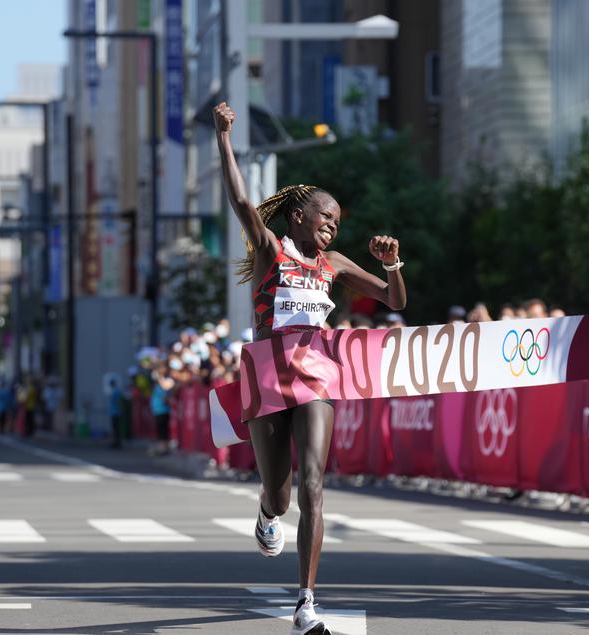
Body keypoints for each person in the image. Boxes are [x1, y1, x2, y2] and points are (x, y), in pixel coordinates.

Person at [215, 100, 406, 635]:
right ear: (299, 216)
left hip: (317, 373)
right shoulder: (271, 248)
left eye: (338, 224)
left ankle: (306, 603)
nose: (332, 229)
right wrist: (224, 139)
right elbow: (239, 199)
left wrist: (391, 263)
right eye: (326, 218)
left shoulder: (335, 264)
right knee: (279, 492)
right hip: (266, 375)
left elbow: (395, 302)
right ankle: (265, 512)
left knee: (314, 484)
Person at [150, 364, 174, 456]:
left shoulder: (165, 384)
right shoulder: (157, 386)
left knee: (163, 431)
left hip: (163, 411)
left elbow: (166, 397)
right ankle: (162, 448)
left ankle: (164, 448)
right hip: (158, 411)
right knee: (160, 431)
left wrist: (161, 379)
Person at [108, 377, 123, 449]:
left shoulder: (115, 392)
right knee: (116, 429)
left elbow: (118, 402)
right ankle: (117, 442)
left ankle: (116, 443)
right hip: (116, 412)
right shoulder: (117, 391)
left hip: (115, 412)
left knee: (115, 429)